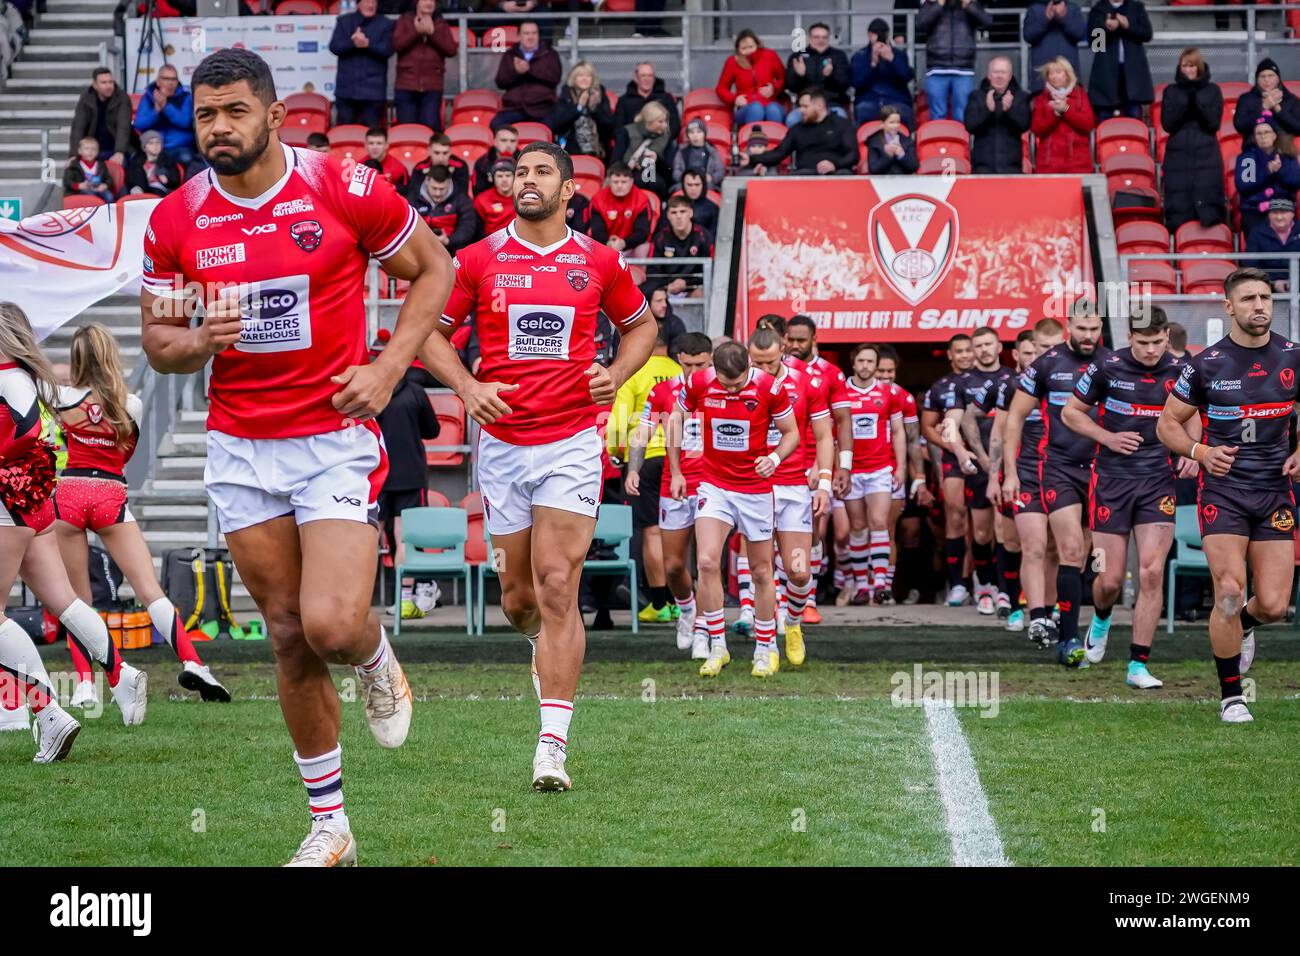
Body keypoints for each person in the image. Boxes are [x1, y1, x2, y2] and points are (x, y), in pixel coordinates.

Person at [141, 48, 453, 865]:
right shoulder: (177, 219)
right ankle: (331, 826)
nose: (218, 127)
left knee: (333, 624)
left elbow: (435, 272)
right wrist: (196, 339)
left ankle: (377, 655)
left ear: (275, 116)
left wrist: (389, 369)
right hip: (242, 446)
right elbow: (160, 343)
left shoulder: (341, 187)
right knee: (285, 635)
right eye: (206, 114)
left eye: (234, 111)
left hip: (333, 439)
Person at [418, 141, 656, 789]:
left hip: (572, 443)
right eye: (519, 172)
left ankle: (552, 745)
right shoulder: (476, 258)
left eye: (541, 172)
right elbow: (428, 332)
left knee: (556, 584)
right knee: (519, 599)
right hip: (502, 446)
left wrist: (615, 372)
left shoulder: (599, 261)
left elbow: (640, 330)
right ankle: (538, 643)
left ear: (569, 188)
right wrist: (467, 389)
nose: (527, 180)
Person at [53, 323, 229, 706]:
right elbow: (125, 455)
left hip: (68, 495)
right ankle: (192, 660)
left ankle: (85, 684)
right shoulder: (128, 403)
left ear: (77, 359)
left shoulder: (62, 398)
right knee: (150, 591)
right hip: (109, 494)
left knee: (76, 601)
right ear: (110, 356)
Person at [1157, 267, 1300, 724]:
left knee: (1276, 604)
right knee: (1228, 592)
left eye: (1265, 298)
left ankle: (1246, 625)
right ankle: (1231, 697)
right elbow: (1167, 424)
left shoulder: (1293, 357)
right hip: (1224, 492)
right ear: (1229, 307)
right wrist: (1201, 452)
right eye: (1248, 299)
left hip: (1275, 492)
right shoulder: (1205, 364)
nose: (1259, 305)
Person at [1, 302, 142, 762]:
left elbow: (22, 431)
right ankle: (121, 673)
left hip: (11, 502)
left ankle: (45, 713)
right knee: (64, 601)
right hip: (33, 501)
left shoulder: (8, 375)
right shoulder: (27, 374)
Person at [1063, 307, 1192, 689]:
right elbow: (1072, 413)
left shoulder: (1182, 371)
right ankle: (1101, 618)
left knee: (1152, 572)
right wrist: (1107, 438)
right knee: (1109, 578)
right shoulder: (1107, 367)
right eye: (1143, 342)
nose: (1151, 350)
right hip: (1110, 481)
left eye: (1157, 342)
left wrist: (1191, 451)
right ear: (1129, 337)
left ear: (1167, 336)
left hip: (1157, 482)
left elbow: (1193, 415)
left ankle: (1138, 665)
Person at [668, 341, 798, 679]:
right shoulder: (699, 381)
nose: (731, 389)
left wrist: (774, 458)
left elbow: (792, 433)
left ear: (749, 368)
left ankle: (766, 648)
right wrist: (678, 471)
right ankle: (717, 646)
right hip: (714, 485)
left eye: (737, 384)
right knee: (707, 562)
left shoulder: (770, 387)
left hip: (755, 489)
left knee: (760, 571)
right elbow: (675, 420)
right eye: (725, 384)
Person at [1002, 298, 1108, 665]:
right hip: (1057, 467)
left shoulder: (1112, 363)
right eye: (1082, 329)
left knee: (1091, 559)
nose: (1089, 336)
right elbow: (1013, 418)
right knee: (1069, 550)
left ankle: (1086, 621)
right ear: (1069, 327)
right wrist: (1010, 472)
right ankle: (1065, 636)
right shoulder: (1048, 364)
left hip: (1101, 470)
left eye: (1095, 329)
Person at [748, 327, 832, 666]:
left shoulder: (806, 383)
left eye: (769, 362)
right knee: (762, 570)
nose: (764, 369)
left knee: (798, 571)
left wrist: (824, 482)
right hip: (753, 488)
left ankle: (794, 623)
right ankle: (766, 645)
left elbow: (825, 435)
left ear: (783, 350)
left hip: (793, 486)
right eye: (757, 362)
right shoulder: (743, 382)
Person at [638, 333, 713, 653]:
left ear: (711, 359)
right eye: (688, 364)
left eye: (702, 364)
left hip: (713, 484)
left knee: (708, 562)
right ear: (677, 359)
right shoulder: (663, 390)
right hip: (676, 484)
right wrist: (632, 468)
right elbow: (642, 429)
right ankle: (687, 609)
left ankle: (705, 629)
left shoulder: (721, 389)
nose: (694, 371)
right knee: (673, 565)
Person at [609, 326, 681, 626]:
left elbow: (619, 419)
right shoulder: (682, 371)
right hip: (684, 459)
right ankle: (683, 601)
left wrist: (615, 451)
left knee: (651, 531)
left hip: (649, 457)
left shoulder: (633, 370)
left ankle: (660, 602)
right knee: (680, 532)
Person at [949, 326, 1015, 615]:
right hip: (978, 466)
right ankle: (984, 587)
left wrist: (1001, 463)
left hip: (1009, 464)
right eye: (979, 345)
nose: (984, 350)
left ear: (999, 347)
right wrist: (972, 454)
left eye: (989, 344)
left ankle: (1004, 590)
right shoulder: (962, 383)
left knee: (1006, 531)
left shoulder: (1013, 379)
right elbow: (954, 423)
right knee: (981, 532)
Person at [982, 329, 1043, 632]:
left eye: (1038, 352)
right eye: (1028, 353)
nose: (1033, 358)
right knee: (1012, 541)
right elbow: (997, 435)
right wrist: (995, 477)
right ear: (1017, 355)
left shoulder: (1060, 384)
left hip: (1053, 473)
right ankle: (1014, 604)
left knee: (1050, 546)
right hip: (1016, 475)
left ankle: (1045, 607)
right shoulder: (1009, 387)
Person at [840, 343, 907, 605]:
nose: (866, 366)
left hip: (880, 469)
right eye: (862, 361)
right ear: (853, 363)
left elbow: (899, 431)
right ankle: (861, 584)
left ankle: (879, 582)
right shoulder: (841, 391)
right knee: (857, 527)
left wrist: (900, 466)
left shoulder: (889, 392)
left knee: (879, 522)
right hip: (851, 470)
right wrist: (837, 468)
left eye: (871, 362)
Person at [375, 365, 440, 620]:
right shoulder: (415, 392)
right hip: (410, 473)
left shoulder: (372, 392)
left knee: (372, 534)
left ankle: (355, 598)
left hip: (377, 472)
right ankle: (404, 601)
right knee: (405, 537)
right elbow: (432, 430)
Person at [920, 334, 978, 606]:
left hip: (987, 458)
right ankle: (957, 585)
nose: (965, 355)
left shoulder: (989, 381)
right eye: (960, 351)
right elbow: (927, 428)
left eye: (969, 350)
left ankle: (983, 583)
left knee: (984, 524)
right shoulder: (940, 387)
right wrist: (954, 446)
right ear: (950, 355)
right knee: (955, 516)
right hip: (953, 460)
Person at [872, 345, 930, 603]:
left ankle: (883, 588)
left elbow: (913, 441)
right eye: (880, 370)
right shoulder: (851, 394)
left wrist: (918, 477)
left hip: (891, 472)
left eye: (890, 371)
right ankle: (859, 585)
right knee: (856, 531)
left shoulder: (904, 397)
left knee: (886, 529)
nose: (885, 375)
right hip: (859, 471)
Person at [1160, 49, 1226, 232]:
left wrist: (1197, 102)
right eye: (1184, 66)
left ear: (1199, 67)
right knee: (1179, 203)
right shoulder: (1171, 91)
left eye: (1192, 66)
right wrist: (1185, 103)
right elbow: (1168, 124)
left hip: (1207, 155)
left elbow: (1213, 123)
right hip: (1178, 155)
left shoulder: (1213, 90)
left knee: (1207, 198)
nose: (1188, 70)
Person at [740, 88, 857, 176]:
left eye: (805, 106)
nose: (801, 110)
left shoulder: (842, 124)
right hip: (804, 176)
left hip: (837, 174)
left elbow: (853, 155)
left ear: (820, 106)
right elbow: (778, 154)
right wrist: (751, 159)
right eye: (800, 106)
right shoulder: (797, 129)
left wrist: (835, 164)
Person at [916, 0, 992, 122]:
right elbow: (920, 24)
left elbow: (987, 22)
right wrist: (939, 4)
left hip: (963, 68)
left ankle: (961, 141)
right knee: (937, 117)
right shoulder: (931, 3)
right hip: (936, 68)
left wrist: (969, 5)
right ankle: (939, 141)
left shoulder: (971, 3)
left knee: (962, 116)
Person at [392, 0, 458, 131]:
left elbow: (451, 50)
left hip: (432, 86)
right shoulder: (404, 20)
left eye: (432, 0)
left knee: (430, 128)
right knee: (407, 130)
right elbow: (396, 45)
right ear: (416, 3)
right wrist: (417, 32)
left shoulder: (441, 23)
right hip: (406, 84)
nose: (429, 3)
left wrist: (432, 33)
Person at [329, 0, 396, 128]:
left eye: (373, 2)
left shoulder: (386, 23)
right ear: (358, 4)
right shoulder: (344, 21)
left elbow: (388, 49)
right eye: (366, 1)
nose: (370, 5)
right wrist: (352, 43)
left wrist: (368, 44)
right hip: (346, 91)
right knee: (345, 133)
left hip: (373, 92)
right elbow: (334, 47)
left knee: (371, 135)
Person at [1086, 0, 1153, 120]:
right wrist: (1106, 29)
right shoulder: (1098, 9)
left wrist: (1128, 26)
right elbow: (1096, 44)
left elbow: (1147, 34)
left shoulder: (1136, 7)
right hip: (1106, 75)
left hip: (1132, 74)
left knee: (1133, 118)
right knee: (1105, 119)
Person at [964, 56, 1032, 175]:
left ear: (1010, 76)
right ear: (989, 75)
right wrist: (987, 110)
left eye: (1003, 72)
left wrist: (1010, 110)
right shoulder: (976, 96)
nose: (999, 76)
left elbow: (1024, 125)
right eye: (996, 72)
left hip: (1012, 168)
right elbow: (970, 126)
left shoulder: (1021, 97)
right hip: (982, 169)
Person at [491, 20, 562, 130]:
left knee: (551, 127)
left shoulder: (550, 54)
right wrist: (516, 72)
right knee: (496, 124)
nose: (531, 37)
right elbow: (500, 82)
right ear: (519, 36)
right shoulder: (510, 55)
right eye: (526, 33)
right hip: (515, 108)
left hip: (543, 108)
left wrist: (530, 70)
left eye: (534, 33)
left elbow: (555, 78)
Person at [1235, 118, 1300, 237]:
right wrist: (1267, 173)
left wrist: (1279, 171)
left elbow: (1295, 182)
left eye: (1266, 132)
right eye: (1259, 133)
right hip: (1255, 211)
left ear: (1274, 135)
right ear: (1254, 137)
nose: (1263, 136)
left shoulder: (1287, 156)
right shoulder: (1248, 158)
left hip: (1283, 210)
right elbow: (1244, 187)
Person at [1030, 56, 1095, 175]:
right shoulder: (1041, 99)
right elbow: (1037, 129)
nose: (1054, 76)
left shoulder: (1081, 95)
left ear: (1067, 74)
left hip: (1078, 163)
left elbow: (1088, 125)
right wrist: (1055, 114)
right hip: (1048, 164)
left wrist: (1066, 109)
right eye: (1051, 73)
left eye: (1058, 72)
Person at [851, 18, 915, 128]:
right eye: (875, 33)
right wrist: (873, 64)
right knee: (863, 111)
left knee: (905, 113)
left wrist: (892, 59)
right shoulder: (860, 56)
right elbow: (856, 82)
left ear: (888, 34)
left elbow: (907, 76)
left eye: (882, 33)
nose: (878, 37)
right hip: (869, 100)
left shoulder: (898, 54)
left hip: (896, 100)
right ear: (869, 35)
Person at [785, 21, 852, 125]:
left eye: (824, 37)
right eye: (817, 37)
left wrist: (830, 76)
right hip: (805, 105)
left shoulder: (838, 56)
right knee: (792, 120)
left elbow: (845, 85)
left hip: (832, 104)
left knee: (841, 118)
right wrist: (800, 76)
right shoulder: (798, 57)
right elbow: (791, 87)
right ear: (809, 38)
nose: (821, 40)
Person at [716, 29, 787, 126]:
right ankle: (752, 140)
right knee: (756, 109)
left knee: (773, 110)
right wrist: (735, 99)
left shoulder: (769, 55)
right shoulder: (732, 62)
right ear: (738, 49)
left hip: (770, 102)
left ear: (757, 44)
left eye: (751, 47)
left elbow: (783, 78)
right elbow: (721, 88)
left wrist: (774, 87)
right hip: (746, 107)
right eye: (744, 48)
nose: (748, 51)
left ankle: (776, 140)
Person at [132, 63, 197, 170]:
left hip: (179, 147)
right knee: (134, 161)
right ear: (158, 81)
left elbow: (185, 122)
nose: (170, 83)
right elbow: (139, 124)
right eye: (166, 79)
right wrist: (156, 110)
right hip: (153, 148)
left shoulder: (186, 97)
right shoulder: (148, 97)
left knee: (187, 158)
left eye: (174, 79)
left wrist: (165, 106)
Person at [547, 61, 615, 158]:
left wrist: (594, 109)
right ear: (574, 79)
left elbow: (608, 124)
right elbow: (558, 123)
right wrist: (579, 107)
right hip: (571, 145)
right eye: (580, 76)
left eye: (588, 76)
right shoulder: (567, 94)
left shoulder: (599, 94)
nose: (584, 79)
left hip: (598, 146)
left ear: (593, 79)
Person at [409, 163, 479, 255]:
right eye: (434, 188)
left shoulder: (462, 200)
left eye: (442, 189)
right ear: (427, 181)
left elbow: (467, 228)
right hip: (418, 249)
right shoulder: (412, 199)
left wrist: (448, 241)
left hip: (451, 250)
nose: (438, 193)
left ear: (449, 182)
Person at [650, 195, 713, 296]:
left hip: (692, 288)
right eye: (674, 212)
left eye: (682, 211)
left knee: (702, 293)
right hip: (667, 289)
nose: (678, 216)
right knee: (654, 293)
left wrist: (686, 283)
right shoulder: (660, 238)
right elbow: (653, 272)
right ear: (668, 215)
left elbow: (710, 271)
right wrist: (666, 286)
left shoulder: (704, 236)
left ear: (691, 213)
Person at [1232, 57, 1300, 148]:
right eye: (1262, 76)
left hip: (1283, 151)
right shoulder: (1246, 99)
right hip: (1253, 150)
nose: (1266, 80)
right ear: (1257, 79)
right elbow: (1240, 125)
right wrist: (1263, 107)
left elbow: (1297, 127)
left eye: (1270, 76)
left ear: (1278, 78)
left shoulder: (1290, 99)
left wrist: (1278, 109)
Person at [1022, 0, 1086, 93]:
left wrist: (1064, 18)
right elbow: (1028, 36)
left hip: (1068, 75)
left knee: (1068, 107)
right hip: (1042, 76)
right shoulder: (1034, 9)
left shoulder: (1072, 8)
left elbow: (1080, 34)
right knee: (1041, 106)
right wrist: (1046, 18)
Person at [616, 100, 674, 200]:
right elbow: (615, 160)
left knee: (655, 183)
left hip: (655, 176)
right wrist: (628, 166)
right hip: (629, 174)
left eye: (666, 121)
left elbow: (670, 170)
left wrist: (658, 160)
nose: (665, 125)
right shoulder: (627, 132)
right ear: (649, 121)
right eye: (660, 122)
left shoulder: (666, 137)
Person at [587, 163, 653, 252]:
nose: (619, 186)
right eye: (615, 182)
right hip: (605, 245)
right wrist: (608, 243)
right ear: (609, 181)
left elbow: (642, 232)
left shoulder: (642, 200)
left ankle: (637, 266)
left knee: (644, 247)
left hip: (631, 246)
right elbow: (597, 230)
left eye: (623, 182)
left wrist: (623, 243)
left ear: (631, 182)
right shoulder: (598, 199)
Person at [612, 62, 681, 145]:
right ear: (636, 78)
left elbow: (674, 126)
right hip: (632, 147)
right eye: (643, 75)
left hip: (661, 145)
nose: (647, 79)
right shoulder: (624, 101)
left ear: (654, 78)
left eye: (650, 75)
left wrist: (660, 140)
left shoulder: (666, 98)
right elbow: (618, 129)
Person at [1247, 196, 1300, 290]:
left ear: (1292, 214)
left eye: (1283, 213)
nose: (1279, 217)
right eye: (1275, 213)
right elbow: (1251, 265)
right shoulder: (1257, 232)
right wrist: (1272, 283)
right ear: (1269, 214)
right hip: (1265, 285)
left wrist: (1294, 282)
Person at [671, 118, 725, 193]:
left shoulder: (712, 151)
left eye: (699, 132)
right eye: (691, 132)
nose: (695, 135)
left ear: (704, 134)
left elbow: (720, 171)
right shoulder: (681, 151)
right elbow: (676, 172)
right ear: (687, 135)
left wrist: (711, 178)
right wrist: (685, 178)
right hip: (686, 184)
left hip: (706, 184)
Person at [126, 129, 181, 197]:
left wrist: (167, 178)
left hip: (162, 192)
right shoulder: (137, 162)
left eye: (158, 142)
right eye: (151, 143)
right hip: (142, 192)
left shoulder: (168, 160)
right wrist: (137, 187)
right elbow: (131, 180)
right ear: (144, 147)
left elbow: (176, 180)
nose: (155, 146)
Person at [867, 104, 919, 174]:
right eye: (891, 123)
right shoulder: (874, 142)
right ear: (882, 124)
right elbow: (873, 169)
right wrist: (887, 155)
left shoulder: (907, 141)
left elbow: (914, 166)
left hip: (903, 181)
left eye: (898, 122)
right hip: (881, 182)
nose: (896, 126)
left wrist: (901, 154)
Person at [63, 137, 115, 202]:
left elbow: (108, 178)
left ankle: (107, 211)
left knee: (109, 197)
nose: (90, 152)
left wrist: (105, 185)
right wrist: (78, 186)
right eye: (86, 149)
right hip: (79, 191)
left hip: (97, 188)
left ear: (98, 151)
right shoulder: (74, 165)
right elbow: (67, 181)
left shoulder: (101, 164)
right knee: (91, 197)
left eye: (93, 149)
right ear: (79, 151)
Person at [473, 159, 517, 235]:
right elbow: (477, 230)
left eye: (508, 175)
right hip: (490, 241)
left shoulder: (522, 197)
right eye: (500, 176)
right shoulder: (481, 200)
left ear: (514, 177)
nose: (504, 180)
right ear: (493, 179)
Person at [473, 125, 518, 196]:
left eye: (513, 141)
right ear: (494, 141)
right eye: (504, 140)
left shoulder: (524, 161)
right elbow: (478, 192)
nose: (508, 145)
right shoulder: (482, 163)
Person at [360, 126, 410, 192]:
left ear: (386, 145)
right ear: (365, 145)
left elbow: (404, 194)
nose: (375, 147)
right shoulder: (359, 166)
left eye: (379, 143)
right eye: (371, 143)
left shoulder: (399, 168)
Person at [681, 169, 719, 236]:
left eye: (697, 184)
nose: (693, 189)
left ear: (703, 185)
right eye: (689, 185)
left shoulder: (713, 208)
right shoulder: (674, 206)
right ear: (683, 185)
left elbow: (713, 236)